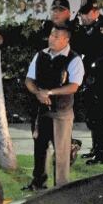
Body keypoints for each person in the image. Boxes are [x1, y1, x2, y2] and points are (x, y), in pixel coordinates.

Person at [22, 25, 84, 191]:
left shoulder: (74, 59)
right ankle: (38, 184)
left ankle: (61, 189)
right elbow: (29, 79)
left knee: (61, 153)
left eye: (56, 36)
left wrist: (49, 92)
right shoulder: (40, 55)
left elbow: (73, 86)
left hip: (61, 113)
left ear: (66, 40)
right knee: (40, 149)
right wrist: (38, 93)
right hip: (41, 111)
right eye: (51, 35)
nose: (51, 39)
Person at [72, 0, 103, 165]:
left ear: (95, 12)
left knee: (102, 116)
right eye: (82, 13)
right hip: (92, 77)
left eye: (86, 14)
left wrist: (79, 32)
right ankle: (96, 149)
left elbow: (90, 46)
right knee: (92, 115)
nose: (83, 17)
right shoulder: (90, 27)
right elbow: (78, 46)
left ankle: (102, 155)